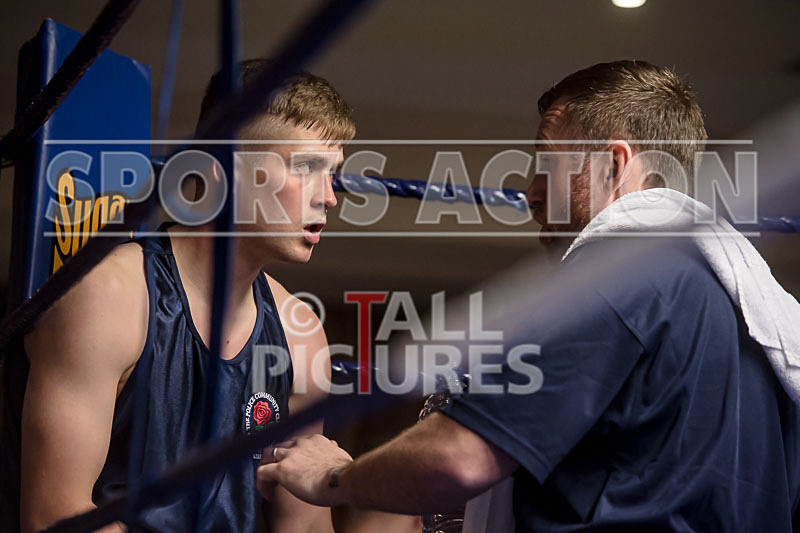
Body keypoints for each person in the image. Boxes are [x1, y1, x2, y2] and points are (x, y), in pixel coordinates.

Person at [256, 60, 800, 531]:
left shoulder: (621, 275)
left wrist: (334, 476)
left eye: (546, 162)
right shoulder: (748, 306)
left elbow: (457, 460)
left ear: (613, 165)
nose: (530, 192)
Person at [11, 59, 354, 532]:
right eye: (307, 168)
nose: (329, 196)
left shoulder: (301, 336)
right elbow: (54, 516)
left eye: (332, 173)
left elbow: (305, 527)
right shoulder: (111, 298)